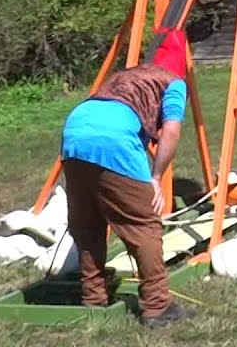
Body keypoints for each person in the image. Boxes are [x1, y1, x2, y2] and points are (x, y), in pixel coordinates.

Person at [60, 27, 193, 328]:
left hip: (74, 132)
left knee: (89, 223)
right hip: (114, 139)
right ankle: (158, 308)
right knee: (143, 224)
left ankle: (94, 298)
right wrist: (156, 176)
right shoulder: (173, 82)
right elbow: (171, 131)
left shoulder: (127, 75)